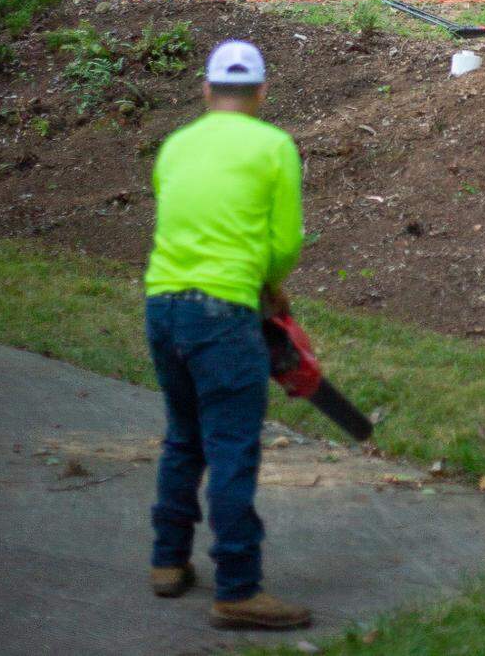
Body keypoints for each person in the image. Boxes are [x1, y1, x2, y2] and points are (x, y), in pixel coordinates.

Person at [144, 39, 310, 631]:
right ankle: (238, 587)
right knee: (232, 445)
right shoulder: (274, 146)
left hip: (162, 307)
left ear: (207, 92)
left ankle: (168, 562)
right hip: (223, 313)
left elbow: (179, 217)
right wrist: (268, 284)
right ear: (262, 93)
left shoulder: (175, 146)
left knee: (183, 434)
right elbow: (285, 244)